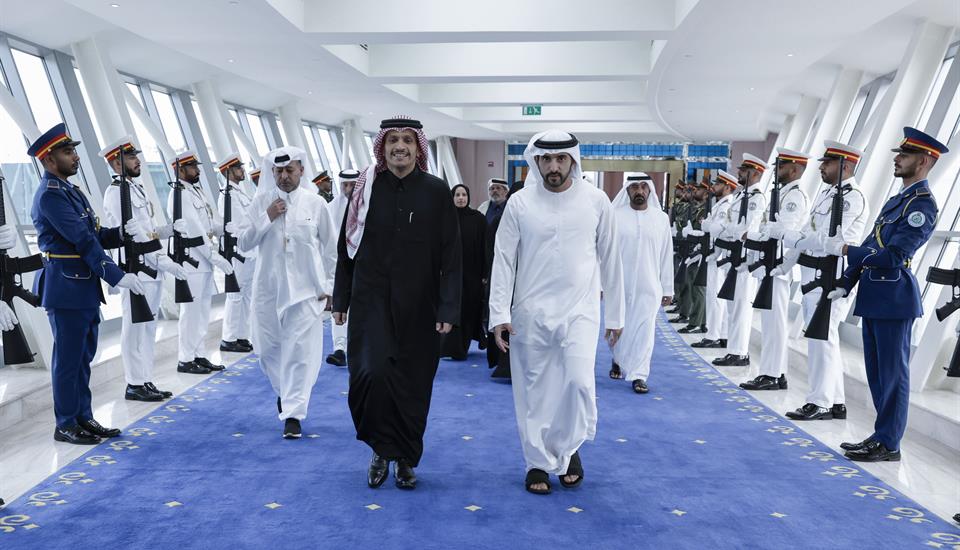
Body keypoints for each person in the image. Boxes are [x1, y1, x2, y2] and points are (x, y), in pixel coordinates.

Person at [489, 130, 624, 495]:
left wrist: (615, 315)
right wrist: (499, 312)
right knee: (535, 392)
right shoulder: (520, 203)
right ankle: (536, 461)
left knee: (578, 383)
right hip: (530, 312)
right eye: (546, 159)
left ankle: (567, 448)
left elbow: (611, 260)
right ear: (536, 161)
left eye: (560, 159)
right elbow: (503, 259)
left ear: (572, 161)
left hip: (580, 310)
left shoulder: (596, 201)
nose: (553, 166)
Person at [332, 116, 461, 490]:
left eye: (407, 140)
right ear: (382, 147)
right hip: (370, 300)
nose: (400, 146)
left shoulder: (436, 191)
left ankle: (404, 457)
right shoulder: (366, 189)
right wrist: (341, 298)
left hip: (421, 305)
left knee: (412, 383)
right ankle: (379, 448)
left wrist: (448, 307)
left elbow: (451, 255)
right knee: (370, 376)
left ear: (418, 147)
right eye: (392, 140)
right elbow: (346, 249)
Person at [828, 128, 946, 461]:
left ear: (923, 162)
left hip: (895, 299)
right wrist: (847, 281)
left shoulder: (922, 205)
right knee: (878, 376)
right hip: (874, 298)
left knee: (894, 376)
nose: (897, 159)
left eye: (905, 155)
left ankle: (889, 443)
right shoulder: (898, 201)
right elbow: (871, 243)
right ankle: (881, 435)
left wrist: (847, 251)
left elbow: (894, 255)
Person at [29, 123, 146, 444]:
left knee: (83, 359)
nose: (76, 157)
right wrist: (116, 274)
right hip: (65, 289)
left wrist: (119, 234)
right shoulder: (50, 196)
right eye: (68, 152)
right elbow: (81, 239)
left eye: (73, 151)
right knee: (68, 362)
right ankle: (66, 423)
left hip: (82, 287)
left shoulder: (71, 191)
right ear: (49, 159)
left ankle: (83, 416)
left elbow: (93, 235)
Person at [238, 147, 338, 439]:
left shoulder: (315, 203)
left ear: (301, 171)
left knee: (300, 353)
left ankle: (293, 413)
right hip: (268, 290)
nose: (284, 176)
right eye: (278, 171)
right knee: (266, 349)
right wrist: (267, 217)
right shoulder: (261, 203)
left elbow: (331, 250)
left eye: (289, 170)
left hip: (306, 292)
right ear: (272, 173)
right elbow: (243, 243)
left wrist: (331, 288)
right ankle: (286, 392)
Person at [772, 140, 868, 421]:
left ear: (845, 166)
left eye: (828, 163)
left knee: (821, 339)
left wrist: (787, 236)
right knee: (825, 339)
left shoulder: (852, 198)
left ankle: (819, 402)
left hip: (830, 277)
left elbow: (826, 240)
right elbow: (807, 231)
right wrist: (786, 262)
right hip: (813, 275)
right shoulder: (827, 194)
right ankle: (835, 401)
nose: (821, 167)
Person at [100, 137, 187, 402]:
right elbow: (131, 234)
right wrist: (161, 259)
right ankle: (134, 383)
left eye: (136, 156)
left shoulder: (135, 189)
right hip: (135, 268)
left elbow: (146, 230)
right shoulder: (115, 193)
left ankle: (145, 379)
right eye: (131, 157)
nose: (138, 161)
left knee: (148, 328)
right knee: (135, 328)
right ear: (117, 163)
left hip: (150, 267)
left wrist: (167, 230)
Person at [740, 148, 810, 391]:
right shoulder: (783, 194)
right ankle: (774, 373)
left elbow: (782, 231)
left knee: (775, 324)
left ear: (794, 169)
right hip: (770, 264)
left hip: (779, 266)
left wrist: (753, 236)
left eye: (782, 166)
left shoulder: (794, 196)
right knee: (770, 323)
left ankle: (772, 374)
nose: (777, 170)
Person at [166, 151, 235, 374]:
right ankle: (185, 359)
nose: (197, 170)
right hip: (191, 260)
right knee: (191, 313)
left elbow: (207, 224)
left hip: (203, 261)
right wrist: (215, 257)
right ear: (180, 170)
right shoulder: (179, 194)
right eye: (193, 167)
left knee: (203, 311)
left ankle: (199, 354)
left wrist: (223, 228)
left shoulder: (196, 191)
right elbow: (195, 231)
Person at [609, 173, 673, 394]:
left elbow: (666, 255)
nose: (639, 191)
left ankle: (639, 375)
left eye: (644, 187)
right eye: (635, 187)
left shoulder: (660, 218)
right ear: (627, 190)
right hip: (620, 284)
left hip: (649, 285)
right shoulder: (615, 216)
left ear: (650, 190)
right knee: (621, 326)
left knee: (645, 331)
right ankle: (618, 359)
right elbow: (605, 253)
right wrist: (601, 284)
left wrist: (668, 287)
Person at [711, 154, 767, 367]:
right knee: (733, 307)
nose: (739, 173)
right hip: (733, 256)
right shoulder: (740, 197)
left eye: (744, 170)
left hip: (745, 259)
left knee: (742, 308)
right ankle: (733, 350)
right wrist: (731, 230)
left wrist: (731, 230)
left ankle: (740, 353)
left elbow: (746, 229)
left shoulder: (757, 199)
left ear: (756, 173)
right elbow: (730, 226)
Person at [691, 170, 737, 349]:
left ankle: (713, 336)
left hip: (719, 255)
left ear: (727, 187)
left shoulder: (726, 206)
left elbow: (718, 228)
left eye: (718, 184)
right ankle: (720, 334)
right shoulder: (720, 204)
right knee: (715, 296)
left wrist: (706, 224)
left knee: (715, 297)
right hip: (715, 253)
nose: (714, 187)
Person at [441, 184, 486, 361]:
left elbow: (484, 247)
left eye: (464, 195)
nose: (461, 198)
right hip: (449, 273)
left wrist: (485, 272)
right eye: (457, 195)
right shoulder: (445, 218)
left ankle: (461, 348)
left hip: (472, 274)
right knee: (451, 308)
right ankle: (448, 347)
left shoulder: (478, 219)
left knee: (468, 309)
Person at [217, 153, 256, 354]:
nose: (242, 170)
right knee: (235, 295)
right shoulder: (228, 195)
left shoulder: (240, 193)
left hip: (248, 250)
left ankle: (242, 335)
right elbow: (242, 222)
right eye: (239, 168)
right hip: (237, 251)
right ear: (229, 171)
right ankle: (229, 338)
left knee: (246, 294)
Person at [324, 169, 359, 367]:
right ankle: (339, 349)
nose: (348, 189)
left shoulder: (368, 205)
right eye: (345, 185)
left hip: (362, 265)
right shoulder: (330, 209)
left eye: (352, 185)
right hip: (338, 266)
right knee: (338, 307)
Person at [678, 179, 710, 334]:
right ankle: (697, 320)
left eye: (698, 190)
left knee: (698, 289)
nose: (695, 192)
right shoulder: (696, 209)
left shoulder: (706, 210)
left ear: (706, 193)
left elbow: (705, 232)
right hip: (692, 251)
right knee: (692, 286)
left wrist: (691, 233)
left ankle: (697, 322)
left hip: (700, 252)